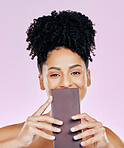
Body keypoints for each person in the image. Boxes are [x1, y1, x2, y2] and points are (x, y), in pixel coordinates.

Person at [0, 10, 123, 148]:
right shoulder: (11, 137)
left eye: (75, 73)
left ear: (88, 77)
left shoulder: (106, 141)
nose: (65, 83)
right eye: (55, 74)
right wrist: (18, 142)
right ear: (42, 81)